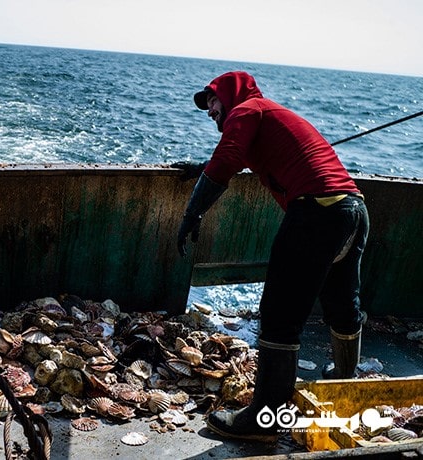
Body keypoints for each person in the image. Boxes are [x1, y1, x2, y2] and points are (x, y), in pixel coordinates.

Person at [174, 71, 369, 441]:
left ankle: (264, 420)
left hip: (316, 213)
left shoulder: (246, 110)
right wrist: (202, 169)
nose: (210, 111)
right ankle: (345, 379)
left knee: (280, 315)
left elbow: (229, 157)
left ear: (230, 95)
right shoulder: (265, 113)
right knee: (343, 305)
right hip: (352, 208)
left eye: (213, 101)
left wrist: (192, 213)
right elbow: (239, 155)